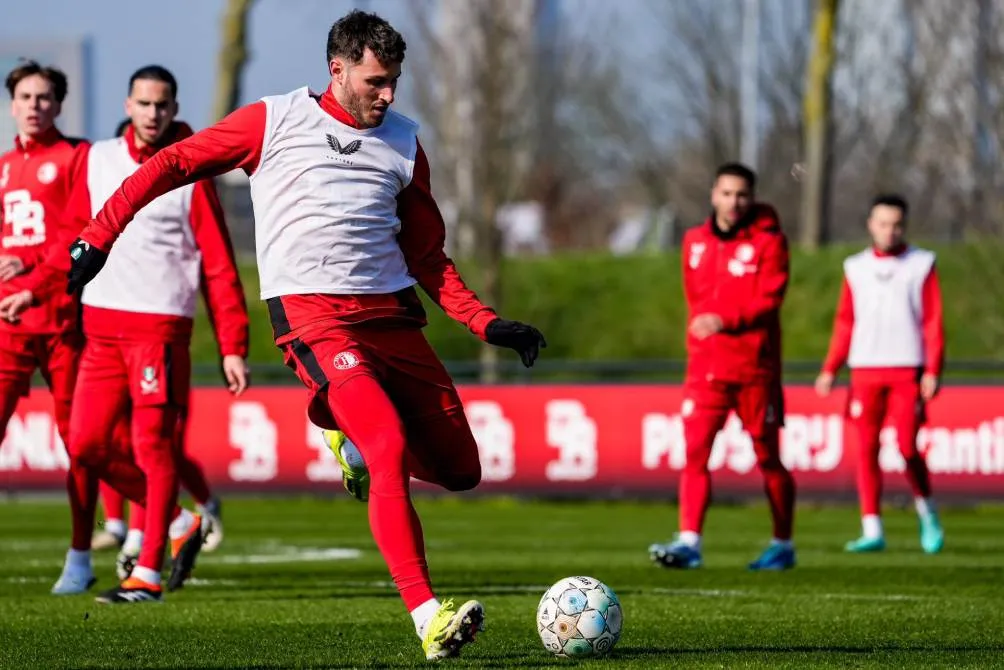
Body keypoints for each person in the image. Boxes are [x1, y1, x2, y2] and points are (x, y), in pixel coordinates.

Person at [11, 11, 545, 657]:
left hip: (393, 320)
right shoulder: (275, 120)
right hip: (313, 319)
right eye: (377, 81)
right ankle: (428, 617)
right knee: (386, 444)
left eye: (395, 81)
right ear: (338, 70)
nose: (389, 95)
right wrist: (99, 235)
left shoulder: (404, 142)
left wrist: (487, 322)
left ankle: (340, 430)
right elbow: (175, 161)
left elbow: (429, 256)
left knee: (461, 471)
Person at [2, 65, 251, 603]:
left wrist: (233, 344)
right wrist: (37, 285)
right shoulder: (96, 160)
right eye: (144, 103)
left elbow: (219, 266)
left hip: (158, 329)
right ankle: (180, 520)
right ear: (129, 104)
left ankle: (149, 575)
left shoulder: (192, 177)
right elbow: (72, 236)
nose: (153, 113)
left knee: (153, 448)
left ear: (174, 109)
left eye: (163, 105)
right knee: (87, 444)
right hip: (100, 327)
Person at [648, 163, 797, 571]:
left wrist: (725, 320)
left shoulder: (769, 242)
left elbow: (771, 299)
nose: (734, 202)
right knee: (695, 454)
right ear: (714, 194)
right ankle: (689, 542)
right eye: (727, 193)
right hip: (705, 371)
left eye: (742, 195)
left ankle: (783, 543)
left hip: (754, 369)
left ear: (752, 198)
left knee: (768, 458)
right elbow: (695, 299)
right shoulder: (694, 241)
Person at [815, 194, 944, 554]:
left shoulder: (920, 264)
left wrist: (933, 369)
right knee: (867, 449)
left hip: (906, 368)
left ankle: (927, 511)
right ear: (871, 224)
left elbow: (933, 321)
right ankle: (872, 527)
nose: (890, 231)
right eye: (883, 223)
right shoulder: (854, 267)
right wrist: (830, 367)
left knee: (906, 446)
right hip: (864, 370)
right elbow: (845, 322)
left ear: (905, 226)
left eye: (896, 224)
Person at [0, 61, 88, 463]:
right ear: (12, 106)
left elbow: (80, 231)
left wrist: (30, 262)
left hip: (60, 315)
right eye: (25, 97)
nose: (34, 105)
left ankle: (112, 526)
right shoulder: (4, 166)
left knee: (81, 436)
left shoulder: (76, 156)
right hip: (7, 318)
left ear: (58, 105)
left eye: (44, 97)